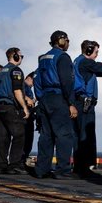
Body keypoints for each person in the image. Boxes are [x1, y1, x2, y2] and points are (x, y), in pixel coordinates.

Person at [34, 30, 78, 179]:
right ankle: (63, 171)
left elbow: (37, 80)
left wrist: (40, 98)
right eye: (67, 40)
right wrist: (70, 102)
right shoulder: (63, 57)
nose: (68, 43)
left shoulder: (43, 58)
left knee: (46, 136)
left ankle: (41, 170)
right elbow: (67, 81)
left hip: (44, 99)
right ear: (61, 41)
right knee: (64, 135)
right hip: (59, 98)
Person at [72, 40, 102, 178]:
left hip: (77, 102)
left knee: (77, 135)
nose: (96, 55)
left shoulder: (77, 61)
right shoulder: (86, 62)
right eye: (95, 52)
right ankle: (84, 168)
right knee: (85, 135)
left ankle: (78, 166)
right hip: (85, 104)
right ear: (88, 51)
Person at [0, 47, 31, 174]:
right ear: (15, 56)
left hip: (0, 106)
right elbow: (17, 91)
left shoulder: (2, 71)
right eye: (21, 56)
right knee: (19, 134)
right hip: (10, 106)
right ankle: (14, 165)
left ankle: (0, 166)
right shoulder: (16, 71)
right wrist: (25, 107)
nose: (21, 58)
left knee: (3, 136)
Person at [21, 71, 38, 170]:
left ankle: (23, 159)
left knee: (28, 140)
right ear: (29, 78)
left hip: (29, 117)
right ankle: (21, 160)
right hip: (26, 117)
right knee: (25, 140)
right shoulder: (24, 86)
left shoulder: (28, 88)